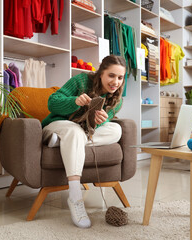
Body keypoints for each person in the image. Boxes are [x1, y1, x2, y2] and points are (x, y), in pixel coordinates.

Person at [41, 55, 126, 228]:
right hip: (58, 124)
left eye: (120, 77)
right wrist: (74, 101)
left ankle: (63, 143)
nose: (115, 82)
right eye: (111, 75)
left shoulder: (117, 100)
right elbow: (52, 102)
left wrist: (101, 120)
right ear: (101, 73)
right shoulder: (81, 81)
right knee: (74, 131)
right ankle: (75, 197)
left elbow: (96, 126)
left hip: (82, 131)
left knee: (116, 130)